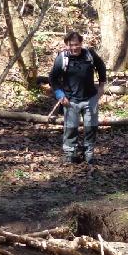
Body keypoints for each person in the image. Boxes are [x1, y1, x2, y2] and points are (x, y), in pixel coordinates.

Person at [49, 31, 107, 164]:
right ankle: (70, 153)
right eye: (71, 45)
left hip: (90, 98)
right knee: (70, 128)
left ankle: (89, 153)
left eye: (77, 44)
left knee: (91, 127)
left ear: (81, 43)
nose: (74, 47)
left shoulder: (89, 55)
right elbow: (53, 78)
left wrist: (102, 86)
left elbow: (101, 66)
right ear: (67, 45)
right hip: (70, 100)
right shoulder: (62, 58)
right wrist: (59, 94)